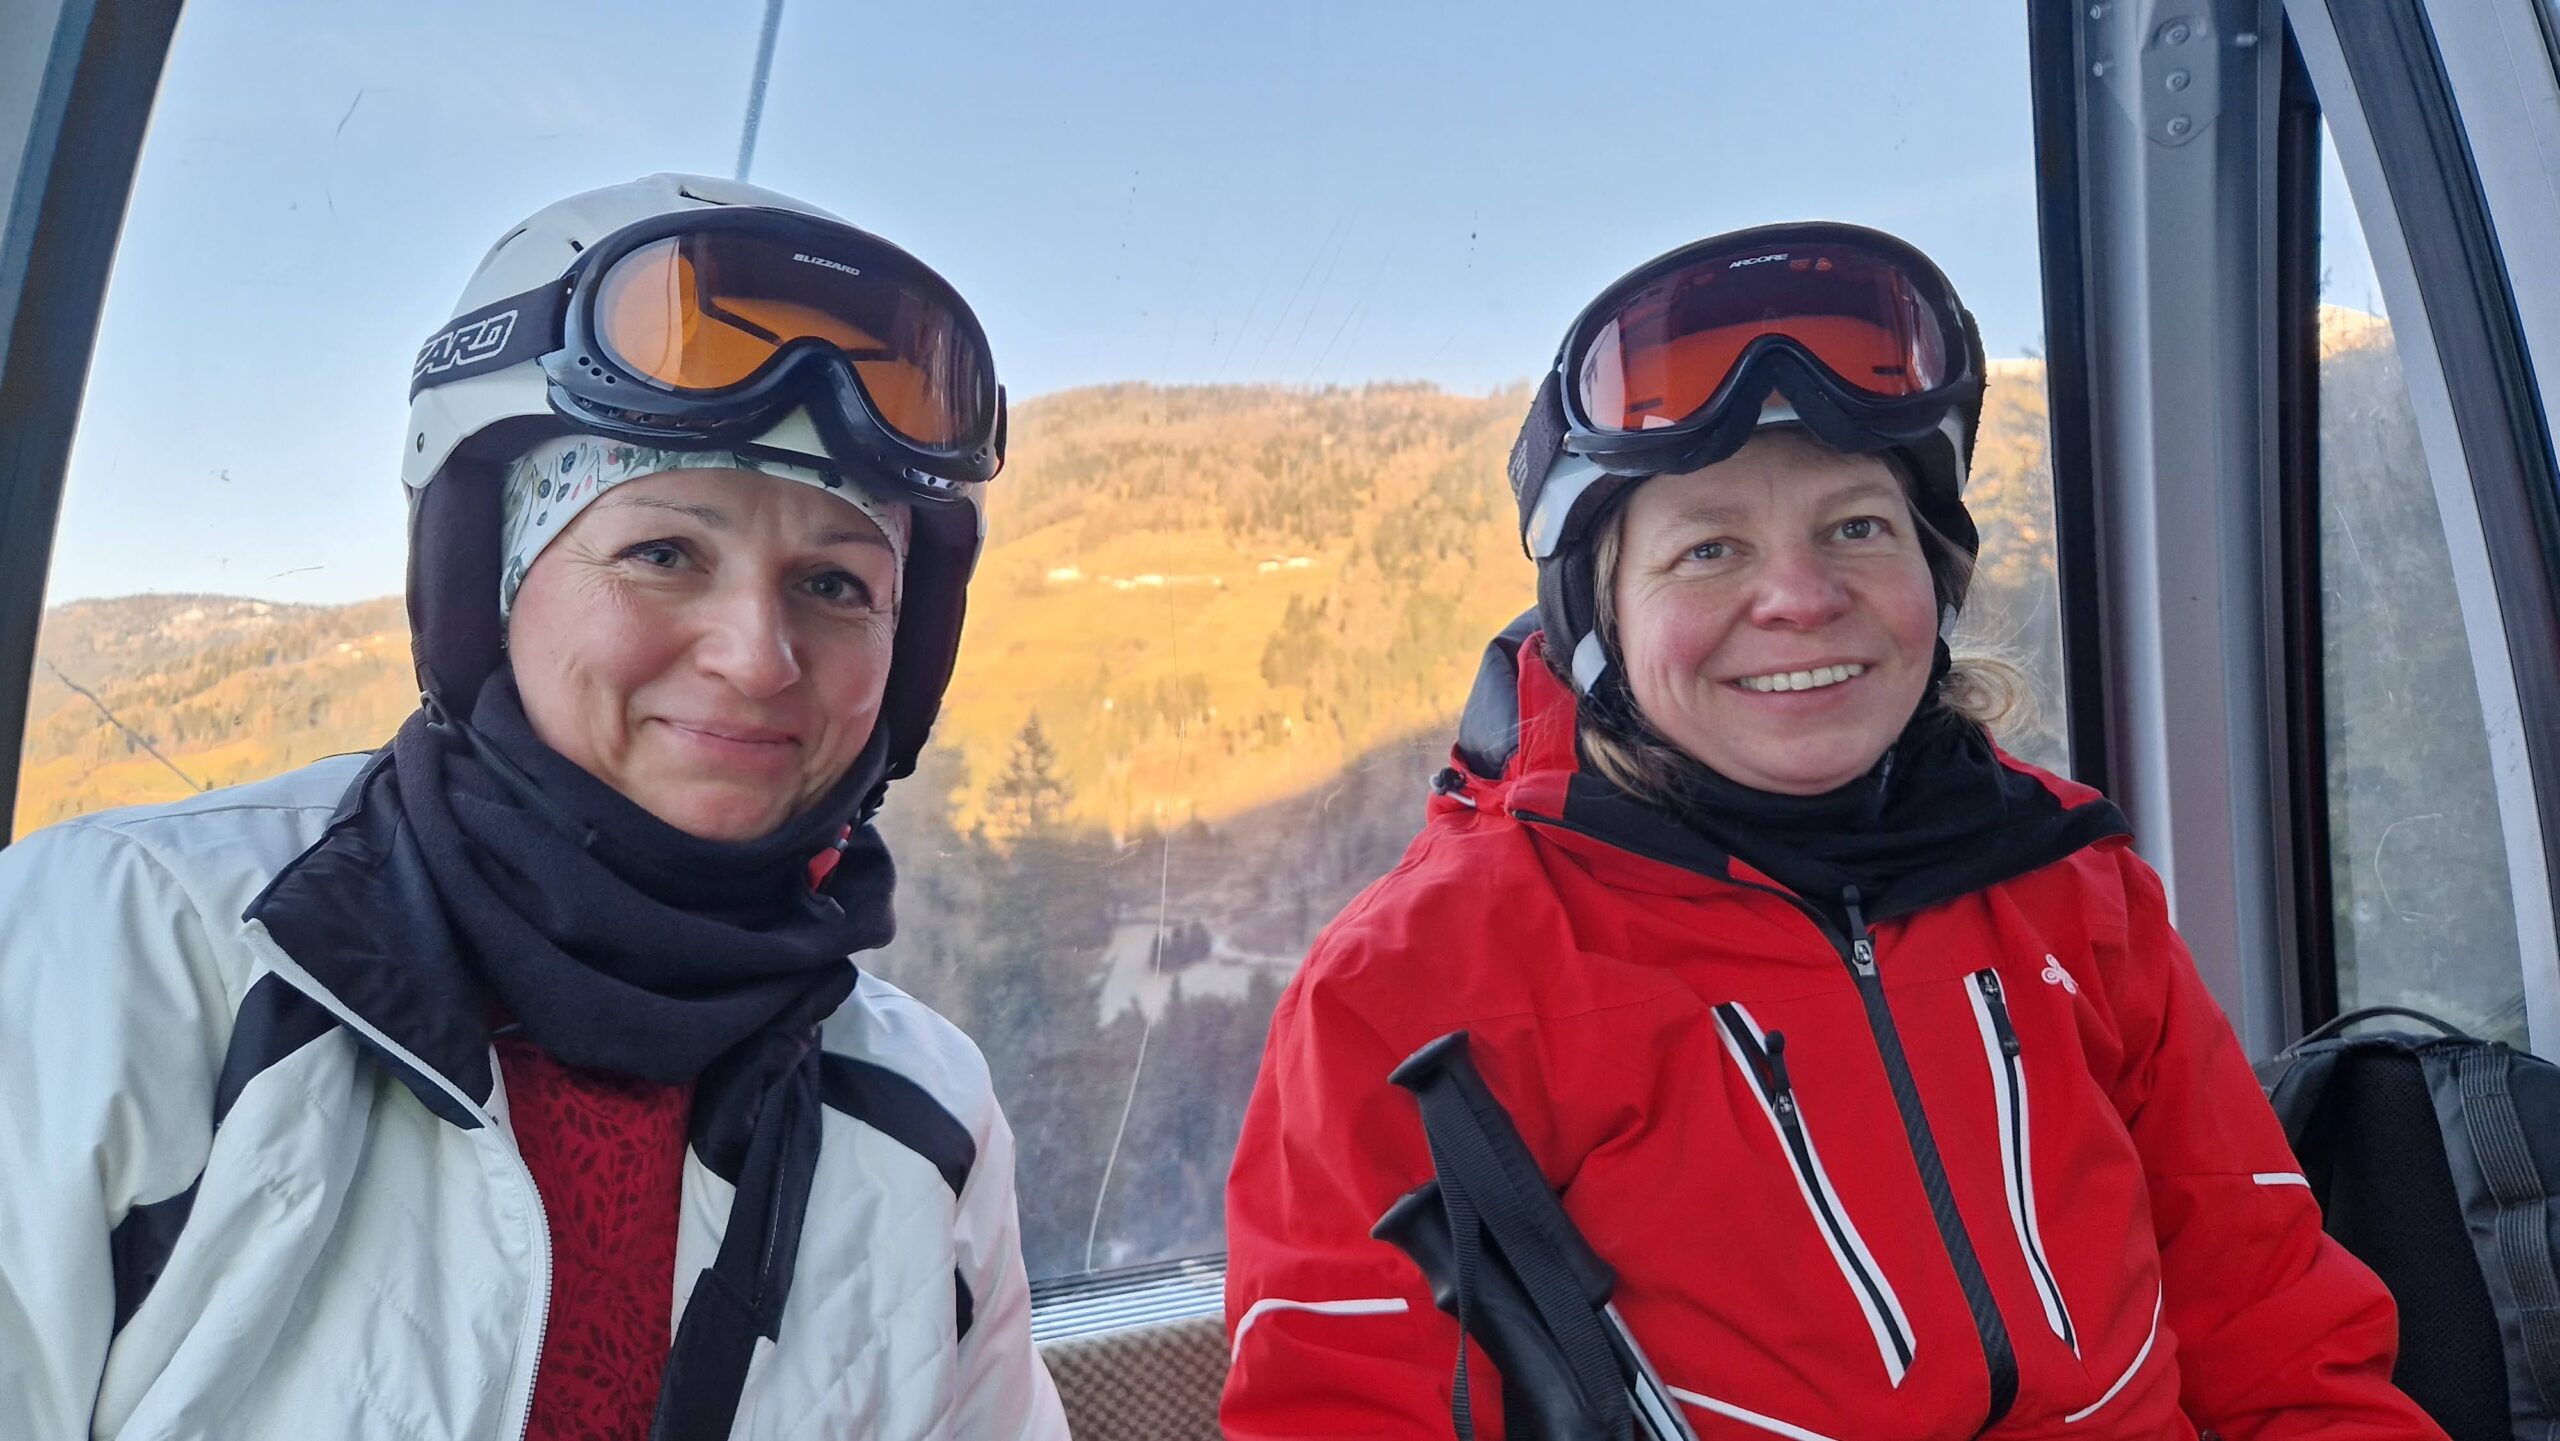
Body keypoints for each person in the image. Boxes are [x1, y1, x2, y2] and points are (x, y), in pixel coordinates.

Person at [1220, 223, 2445, 1439]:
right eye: (1709, 549)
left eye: (1856, 526)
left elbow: (2279, 1332)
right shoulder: (1411, 994)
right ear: (1601, 620)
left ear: (1934, 574)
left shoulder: (2071, 890)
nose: (1801, 599)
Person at [0, 174, 1068, 1440]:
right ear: (490, 586)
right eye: (663, 554)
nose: (757, 657)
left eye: (835, 584)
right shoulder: (127, 953)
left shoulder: (920, 1105)